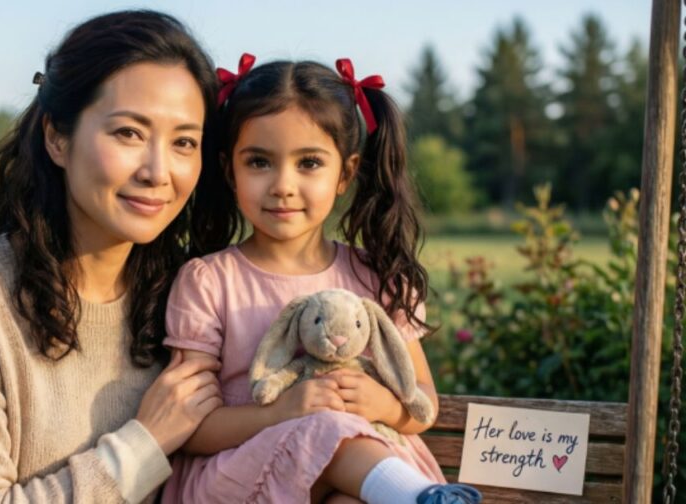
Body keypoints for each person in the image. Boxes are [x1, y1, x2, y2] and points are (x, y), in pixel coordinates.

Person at [0, 10, 229, 503]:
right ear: (56, 137)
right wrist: (142, 446)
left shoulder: (191, 299)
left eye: (184, 143)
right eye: (128, 133)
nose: (158, 170)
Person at [161, 55, 482, 503]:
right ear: (229, 168)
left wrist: (387, 406)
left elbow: (420, 399)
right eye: (259, 162)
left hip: (359, 476)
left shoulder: (376, 276)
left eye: (309, 163)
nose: (283, 185)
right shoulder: (209, 282)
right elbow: (188, 426)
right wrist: (285, 412)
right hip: (241, 478)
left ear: (345, 173)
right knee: (327, 430)